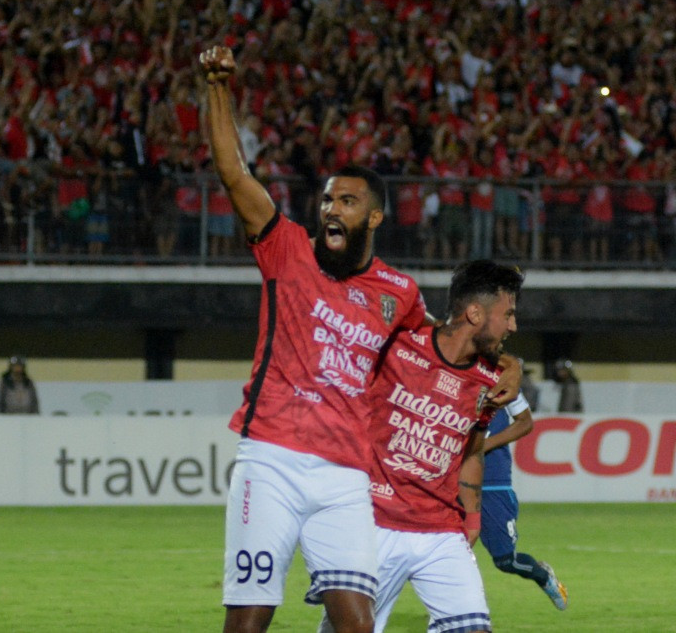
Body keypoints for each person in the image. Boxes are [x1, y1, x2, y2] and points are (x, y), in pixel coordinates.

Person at [199, 47, 521, 633]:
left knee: (357, 627)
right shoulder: (286, 249)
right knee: (250, 618)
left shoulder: (397, 293)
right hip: (271, 458)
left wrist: (512, 366)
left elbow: (453, 342)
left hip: (345, 476)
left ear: (373, 218)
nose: (331, 209)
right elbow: (234, 175)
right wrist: (217, 88)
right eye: (326, 199)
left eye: (346, 202)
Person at [318, 260, 524, 633]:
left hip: (441, 530)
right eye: (507, 314)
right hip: (373, 523)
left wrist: (472, 517)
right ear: (475, 312)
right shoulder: (395, 346)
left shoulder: (489, 380)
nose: (513, 325)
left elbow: (473, 451)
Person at [479, 392, 568, 610]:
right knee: (443, 551)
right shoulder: (444, 373)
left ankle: (543, 575)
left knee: (506, 561)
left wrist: (483, 446)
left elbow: (525, 422)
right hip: (450, 480)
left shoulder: (502, 377)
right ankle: (464, 609)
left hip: (492, 483)